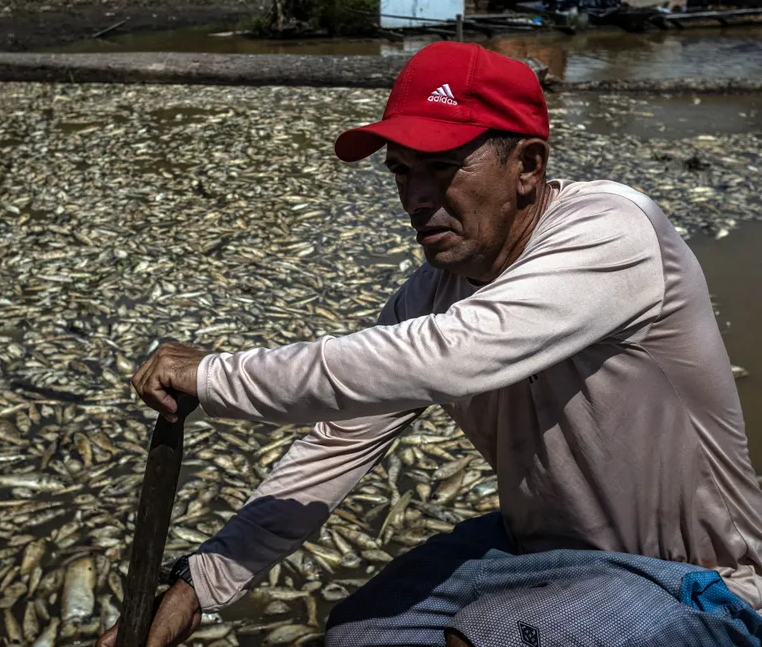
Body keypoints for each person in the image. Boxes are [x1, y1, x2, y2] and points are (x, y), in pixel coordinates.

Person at [98, 42, 762, 647]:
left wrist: (215, 377)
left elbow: (442, 353)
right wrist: (199, 584)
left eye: (441, 168)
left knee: (491, 640)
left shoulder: (611, 231)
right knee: (352, 638)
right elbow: (338, 439)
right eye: (401, 171)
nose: (416, 198)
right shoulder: (436, 287)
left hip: (695, 579)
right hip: (532, 547)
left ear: (527, 165)